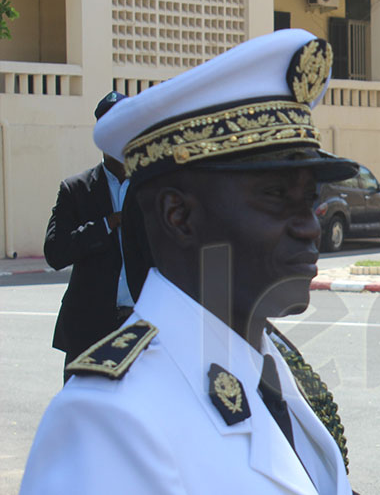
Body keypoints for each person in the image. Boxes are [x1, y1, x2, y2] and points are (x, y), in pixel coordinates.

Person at [21, 29, 359, 494]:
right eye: (278, 196)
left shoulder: (270, 364)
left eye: (311, 199)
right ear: (178, 216)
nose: (309, 227)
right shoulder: (111, 418)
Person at [43, 91, 151, 379]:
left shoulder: (154, 187)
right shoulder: (75, 190)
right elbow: (56, 252)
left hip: (144, 326)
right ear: (100, 135)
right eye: (111, 128)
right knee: (84, 416)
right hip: (89, 330)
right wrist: (106, 223)